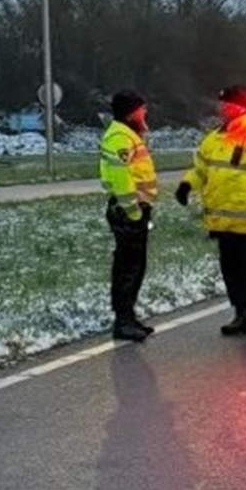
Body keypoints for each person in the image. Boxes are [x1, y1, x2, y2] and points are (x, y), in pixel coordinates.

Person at [175, 86, 246, 339]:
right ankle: (241, 313)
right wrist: (187, 184)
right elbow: (201, 169)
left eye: (228, 105)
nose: (223, 109)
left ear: (241, 107)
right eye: (222, 105)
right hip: (221, 220)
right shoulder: (214, 138)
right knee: (231, 269)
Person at [100, 89, 157, 342]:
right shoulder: (120, 137)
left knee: (134, 265)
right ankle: (123, 321)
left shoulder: (128, 134)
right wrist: (133, 210)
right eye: (142, 109)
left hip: (132, 209)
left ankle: (128, 316)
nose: (145, 113)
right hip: (128, 211)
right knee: (128, 267)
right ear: (132, 112)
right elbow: (122, 177)